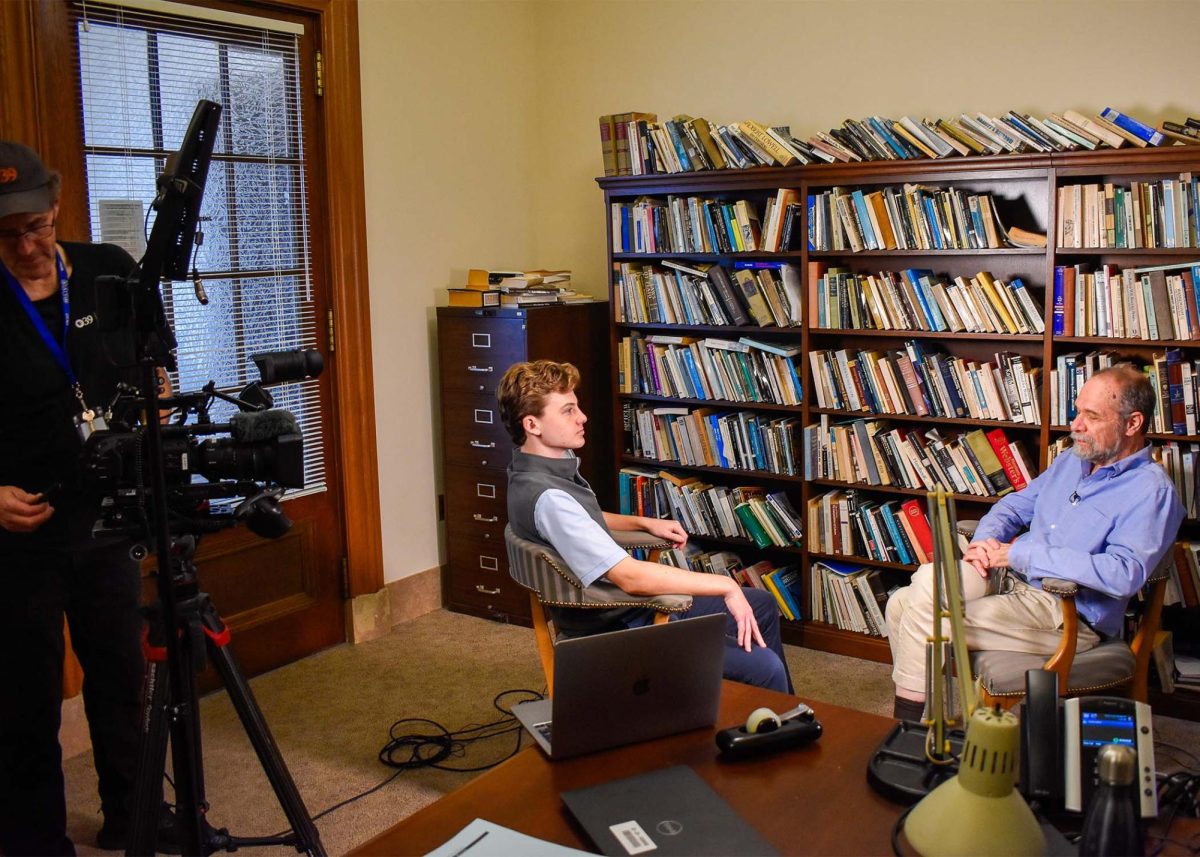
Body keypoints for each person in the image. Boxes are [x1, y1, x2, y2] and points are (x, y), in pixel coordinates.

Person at [0, 141, 176, 853]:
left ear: (58, 204)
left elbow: (157, 359)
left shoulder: (108, 268)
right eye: (7, 235)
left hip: (107, 511)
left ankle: (134, 815)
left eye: (37, 226)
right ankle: (35, 837)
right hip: (19, 528)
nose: (27, 245)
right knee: (24, 694)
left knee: (119, 671)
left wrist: (158, 396)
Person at [885, 365, 1185, 721]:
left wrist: (1021, 553)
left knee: (913, 609)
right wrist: (984, 543)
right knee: (912, 593)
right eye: (1077, 411)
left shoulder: (1151, 491)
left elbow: (1124, 574)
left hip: (1065, 610)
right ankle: (917, 728)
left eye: (1091, 416)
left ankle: (908, 730)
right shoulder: (1073, 460)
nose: (1076, 425)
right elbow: (1014, 506)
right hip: (1008, 575)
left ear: (1132, 424)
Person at [497, 359, 792, 693]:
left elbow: (582, 519)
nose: (582, 417)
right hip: (619, 623)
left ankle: (775, 719)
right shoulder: (550, 498)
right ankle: (772, 725)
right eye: (568, 411)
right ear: (533, 424)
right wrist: (725, 586)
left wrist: (643, 522)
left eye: (576, 407)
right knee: (764, 667)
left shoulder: (535, 472)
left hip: (619, 609)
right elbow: (630, 578)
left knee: (762, 605)